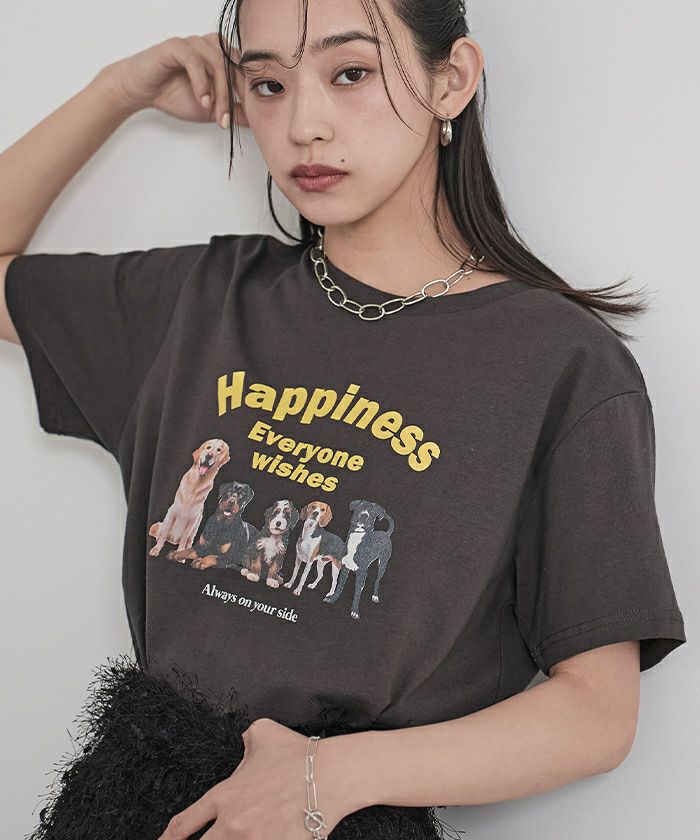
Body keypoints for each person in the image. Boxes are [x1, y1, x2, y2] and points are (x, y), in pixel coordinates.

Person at [0, 1, 687, 839]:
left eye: (350, 72)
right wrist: (116, 92)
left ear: (452, 80)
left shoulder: (560, 364)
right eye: (267, 85)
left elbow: (598, 714)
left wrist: (327, 776)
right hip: (134, 805)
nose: (304, 125)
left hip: (342, 820)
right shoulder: (200, 304)